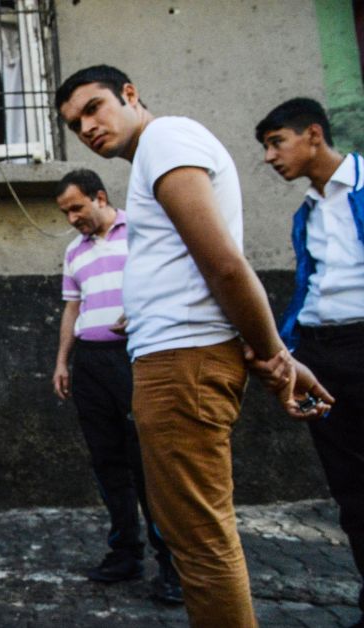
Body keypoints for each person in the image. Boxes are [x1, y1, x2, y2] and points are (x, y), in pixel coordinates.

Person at [55, 65, 332, 627]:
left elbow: (225, 264)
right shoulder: (155, 156)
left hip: (182, 365)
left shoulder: (166, 138)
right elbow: (193, 266)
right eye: (73, 123)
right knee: (193, 537)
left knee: (199, 546)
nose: (86, 127)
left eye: (94, 108)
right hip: (172, 357)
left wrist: (276, 356)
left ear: (130, 95)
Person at [255, 97, 364, 628]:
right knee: (351, 489)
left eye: (278, 143)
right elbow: (308, 287)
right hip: (324, 353)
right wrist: (290, 351)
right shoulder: (308, 211)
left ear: (313, 134)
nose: (271, 157)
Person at [52, 169, 181, 603]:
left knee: (148, 464)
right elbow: (73, 309)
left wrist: (144, 307)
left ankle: (172, 565)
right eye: (65, 212)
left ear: (100, 197)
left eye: (76, 208)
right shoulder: (75, 252)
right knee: (106, 462)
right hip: (90, 363)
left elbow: (172, 281)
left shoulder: (141, 232)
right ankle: (125, 553)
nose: (71, 218)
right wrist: (62, 362)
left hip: (135, 359)